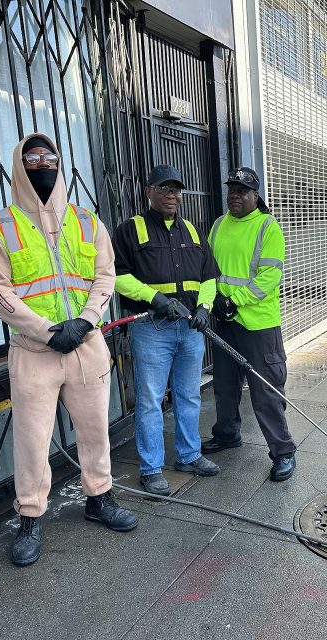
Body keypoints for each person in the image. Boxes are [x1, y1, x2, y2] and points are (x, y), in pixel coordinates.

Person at [0, 133, 137, 567]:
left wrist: (86, 321)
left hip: (86, 345)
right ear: (19, 165)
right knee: (31, 442)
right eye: (33, 157)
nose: (43, 163)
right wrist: (48, 331)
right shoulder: (0, 224)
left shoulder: (87, 220)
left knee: (95, 431)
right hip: (34, 351)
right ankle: (30, 519)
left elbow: (105, 276)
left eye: (50, 156)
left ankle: (99, 499)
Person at [112, 165, 220, 496]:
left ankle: (189, 456)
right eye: (164, 189)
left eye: (176, 190)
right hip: (151, 328)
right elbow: (116, 275)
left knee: (189, 395)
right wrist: (156, 299)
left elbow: (209, 277)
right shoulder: (131, 229)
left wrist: (204, 308)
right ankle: (151, 468)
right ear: (149, 191)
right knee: (150, 401)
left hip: (189, 329)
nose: (171, 195)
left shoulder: (192, 230)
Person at [201, 167, 296, 482]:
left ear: (255, 195)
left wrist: (234, 300)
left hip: (258, 325)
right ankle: (227, 433)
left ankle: (283, 452)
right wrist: (215, 300)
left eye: (242, 190)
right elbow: (210, 268)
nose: (234, 195)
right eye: (232, 189)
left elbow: (269, 277)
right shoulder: (218, 225)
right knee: (225, 386)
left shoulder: (268, 227)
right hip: (224, 320)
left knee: (265, 390)